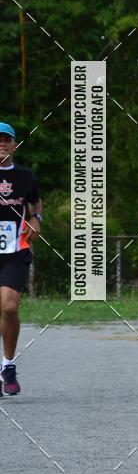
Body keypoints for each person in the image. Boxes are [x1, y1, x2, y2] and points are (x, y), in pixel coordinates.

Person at [0, 122, 42, 397]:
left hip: (15, 251)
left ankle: (8, 365)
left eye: (6, 140)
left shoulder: (25, 176)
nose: (1, 144)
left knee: (9, 307)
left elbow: (35, 203)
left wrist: (37, 219)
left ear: (14, 145)